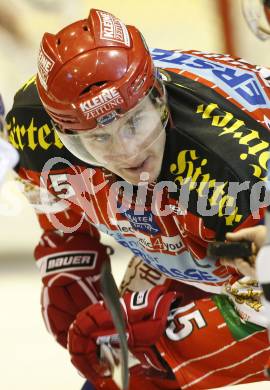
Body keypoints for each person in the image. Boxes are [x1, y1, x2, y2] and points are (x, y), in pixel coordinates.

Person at [4, 8, 270, 389]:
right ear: (63, 134)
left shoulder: (232, 175)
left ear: (158, 95)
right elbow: (49, 191)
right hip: (205, 232)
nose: (127, 152)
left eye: (133, 122)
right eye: (97, 139)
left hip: (246, 229)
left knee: (144, 363)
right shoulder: (34, 126)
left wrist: (163, 347)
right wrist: (67, 253)